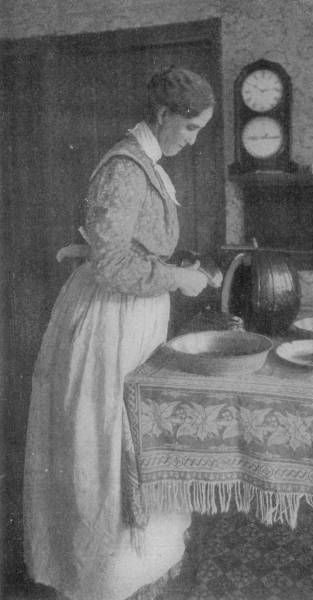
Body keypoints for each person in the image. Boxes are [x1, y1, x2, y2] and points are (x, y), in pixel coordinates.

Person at [23, 66, 216, 600]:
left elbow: (119, 243)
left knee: (135, 433)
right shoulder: (126, 168)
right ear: (164, 116)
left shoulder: (146, 163)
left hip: (133, 315)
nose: (194, 139)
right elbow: (113, 266)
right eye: (192, 127)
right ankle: (102, 575)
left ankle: (139, 561)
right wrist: (179, 278)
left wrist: (95, 251)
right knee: (105, 435)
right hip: (110, 320)